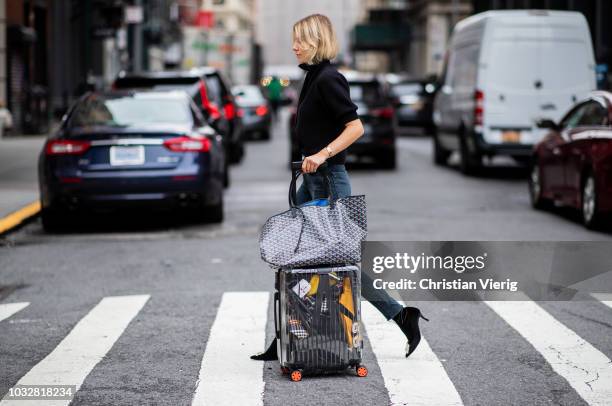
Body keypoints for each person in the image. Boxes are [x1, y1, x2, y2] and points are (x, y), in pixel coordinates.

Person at [251, 14, 429, 362]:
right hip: (313, 181)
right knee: (292, 256)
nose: (294, 46)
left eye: (300, 39)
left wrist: (322, 153)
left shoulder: (329, 78)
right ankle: (285, 336)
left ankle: (399, 314)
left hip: (329, 182)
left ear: (316, 41)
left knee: (339, 262)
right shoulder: (314, 77)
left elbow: (355, 127)